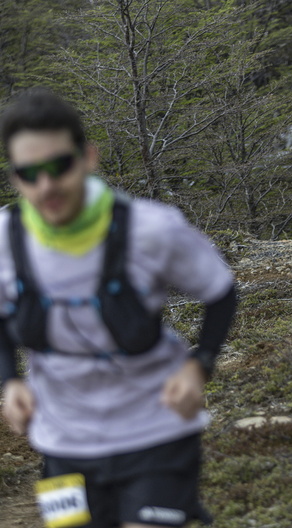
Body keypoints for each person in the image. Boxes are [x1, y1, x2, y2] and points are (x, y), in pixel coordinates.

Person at [0, 89, 236, 528]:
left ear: (88, 158)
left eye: (59, 166)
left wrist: (199, 365)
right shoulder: (5, 240)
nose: (46, 186)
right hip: (62, 444)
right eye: (29, 174)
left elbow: (220, 291)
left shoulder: (151, 229)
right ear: (15, 178)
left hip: (155, 432)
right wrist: (10, 380)